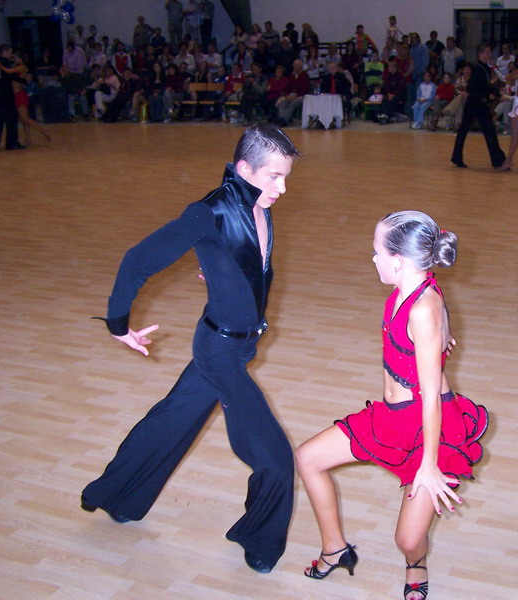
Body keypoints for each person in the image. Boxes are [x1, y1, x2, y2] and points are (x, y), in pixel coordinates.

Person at [81, 124, 300, 574]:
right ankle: (259, 540)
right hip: (220, 352)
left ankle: (115, 496)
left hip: (238, 344)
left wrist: (222, 274)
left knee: (171, 421)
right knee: (275, 456)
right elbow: (138, 259)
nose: (282, 188)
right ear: (244, 169)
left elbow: (250, 265)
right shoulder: (209, 211)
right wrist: (119, 324)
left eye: (285, 177)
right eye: (274, 176)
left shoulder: (258, 204)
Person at [296, 210, 488, 600]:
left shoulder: (421, 308)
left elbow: (431, 396)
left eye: (377, 252)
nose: (373, 259)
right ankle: (335, 549)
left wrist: (429, 466)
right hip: (390, 418)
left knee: (407, 540)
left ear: (398, 261)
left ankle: (416, 562)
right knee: (307, 458)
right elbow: (436, 326)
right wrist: (442, 339)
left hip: (430, 426)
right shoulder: (411, 287)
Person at [450, 44, 506, 169]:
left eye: (489, 52)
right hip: (475, 103)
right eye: (486, 52)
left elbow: (483, 86)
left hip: (477, 102)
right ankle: (498, 160)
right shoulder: (478, 68)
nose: (489, 55)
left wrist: (493, 92)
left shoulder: (484, 68)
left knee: (482, 131)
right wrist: (490, 93)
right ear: (480, 54)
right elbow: (475, 87)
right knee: (484, 131)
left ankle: (497, 159)